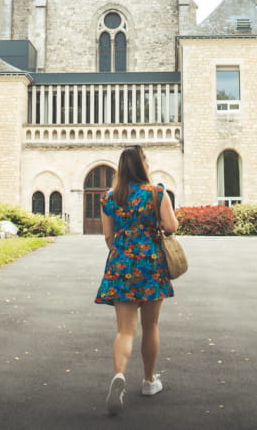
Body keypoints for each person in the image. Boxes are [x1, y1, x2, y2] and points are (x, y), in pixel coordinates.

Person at [94, 145, 179, 415]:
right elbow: (171, 226)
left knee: (125, 330)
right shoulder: (156, 193)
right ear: (142, 165)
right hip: (151, 264)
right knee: (151, 326)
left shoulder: (108, 198)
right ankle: (148, 381)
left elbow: (108, 237)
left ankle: (119, 375)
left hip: (121, 264)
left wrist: (124, 248)